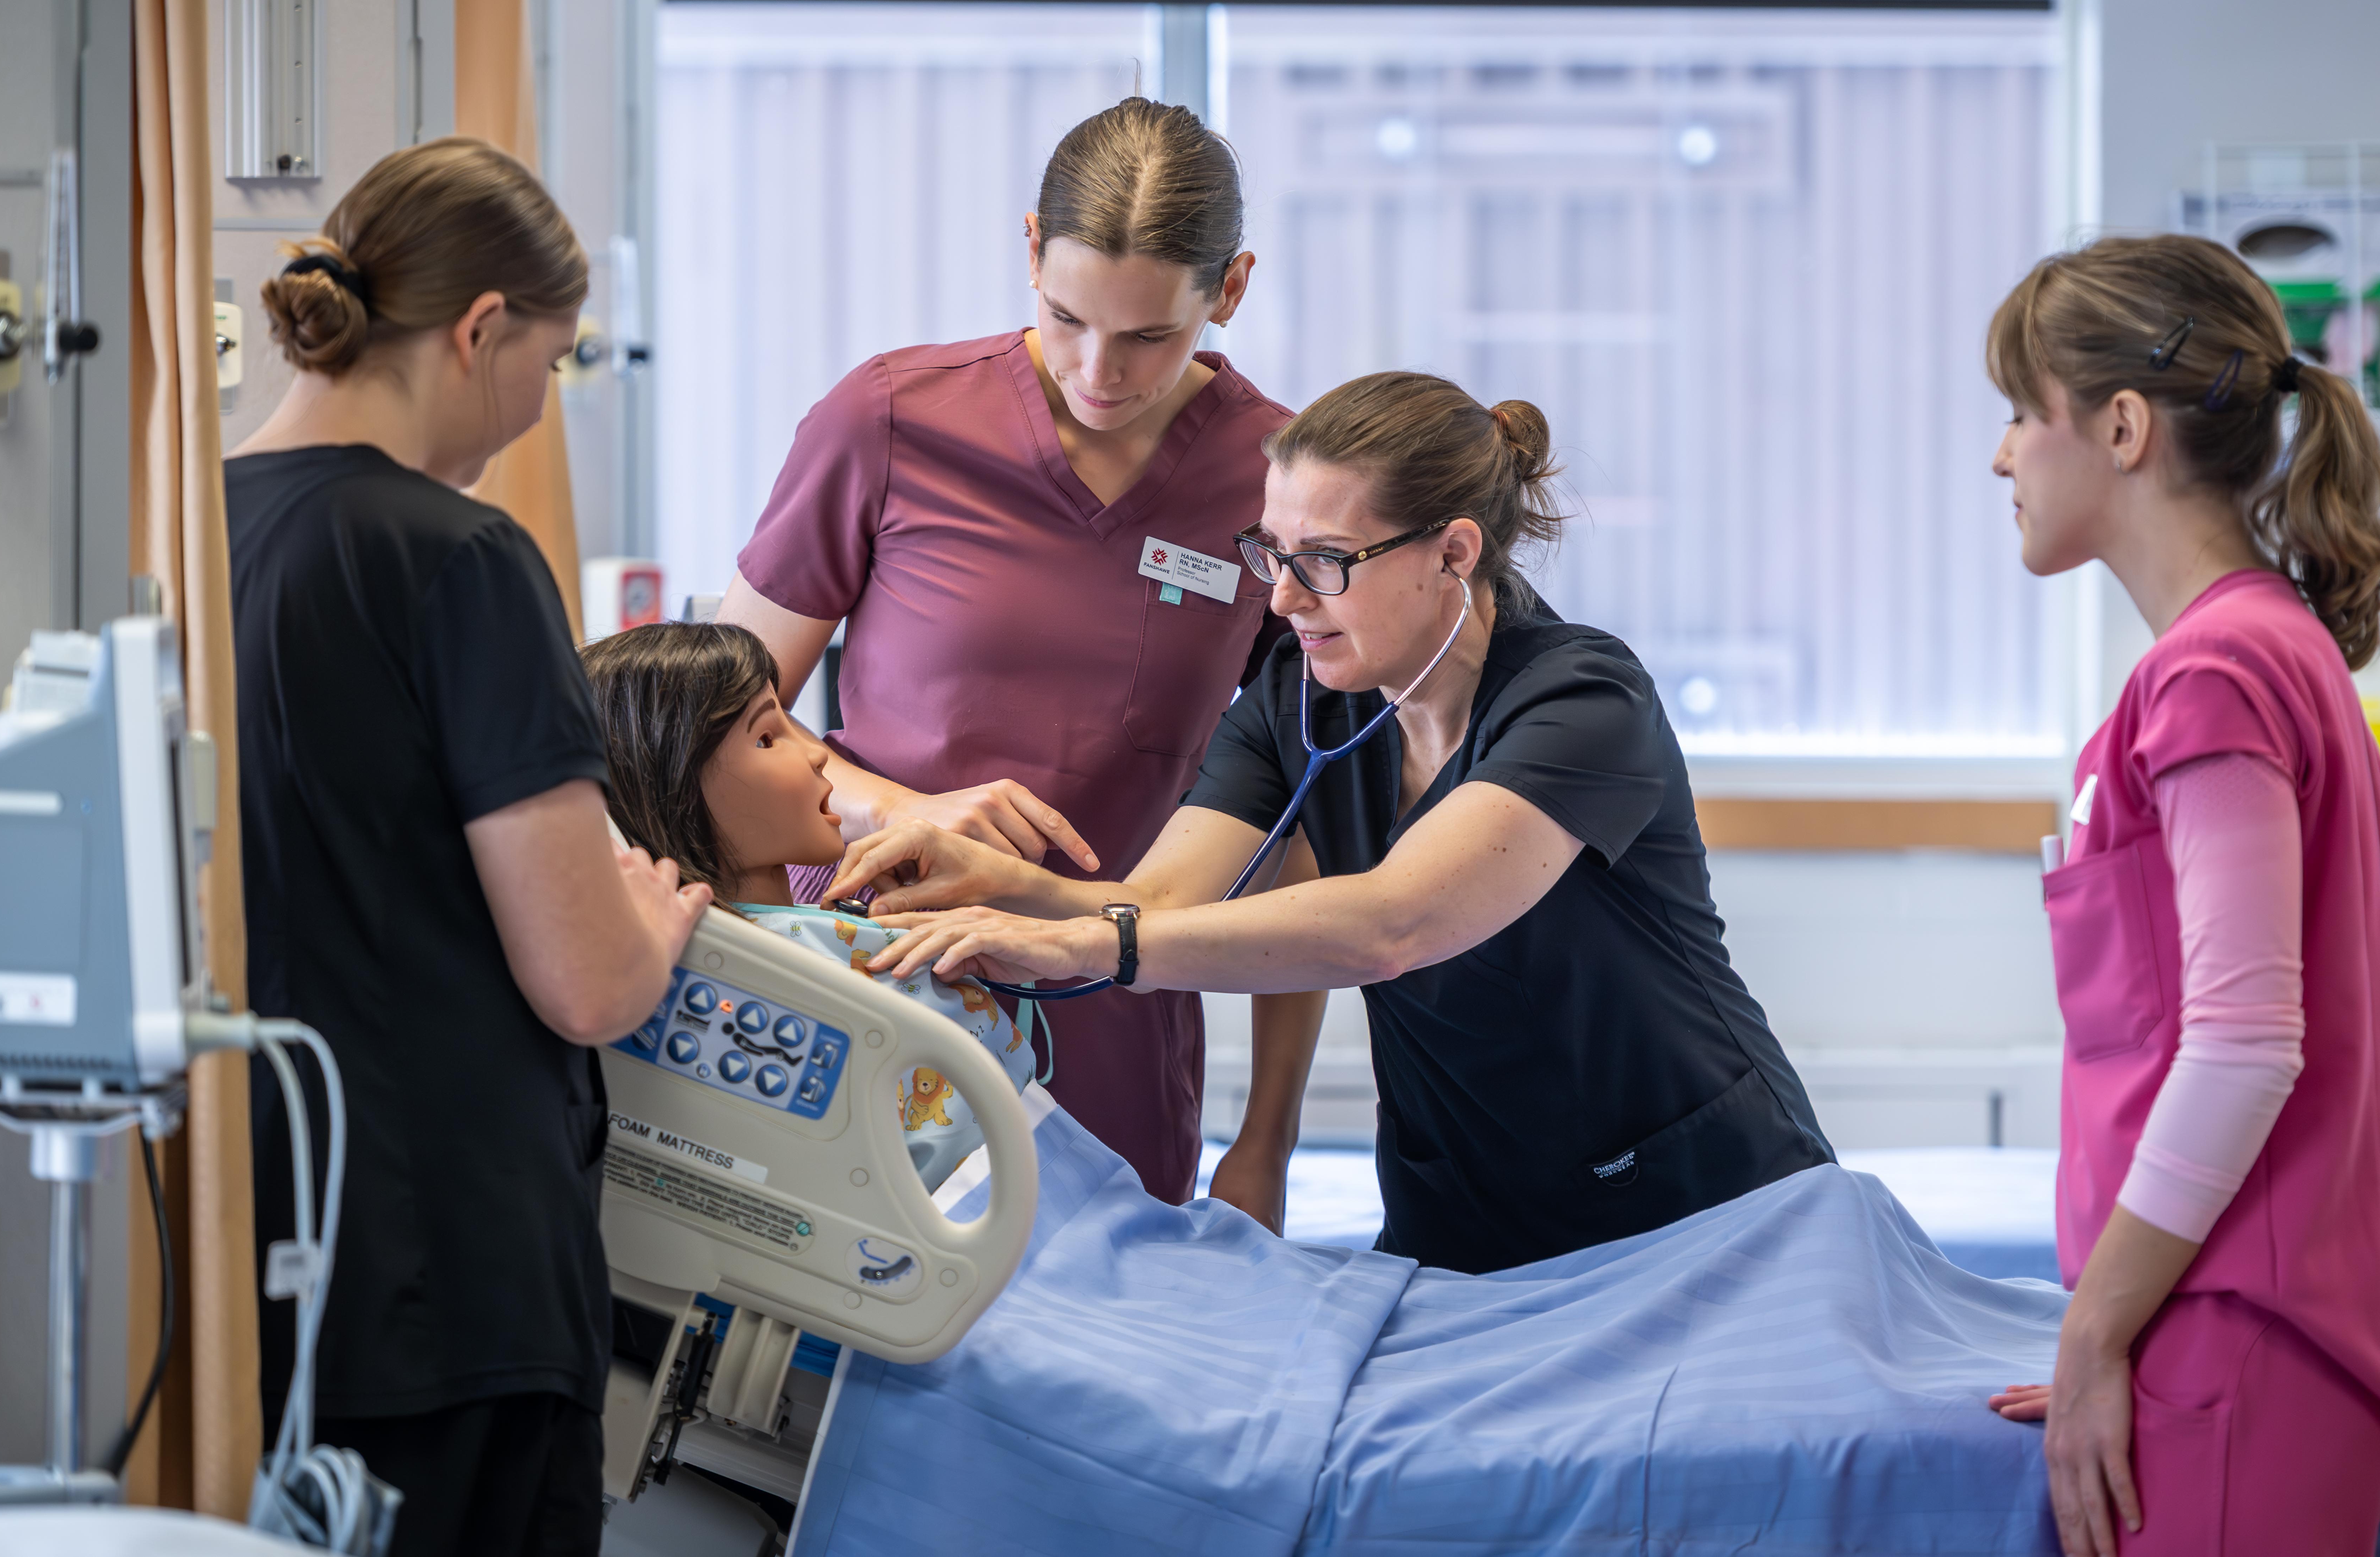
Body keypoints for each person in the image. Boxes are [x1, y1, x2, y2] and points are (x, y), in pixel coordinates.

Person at [825, 372, 1833, 1275]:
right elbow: (1160, 904)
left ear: (1453, 552)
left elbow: (1391, 923)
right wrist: (998, 886)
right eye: (1271, 551)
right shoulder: (1299, 699)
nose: (1281, 596)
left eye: (1325, 560)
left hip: (1697, 1209)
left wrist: (1070, 938)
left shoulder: (1581, 701)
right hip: (1463, 1220)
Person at [226, 138, 710, 1557]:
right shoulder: (457, 556)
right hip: (450, 1254)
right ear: (481, 328)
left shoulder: (188, 525)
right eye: (549, 366)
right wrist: (653, 918)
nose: (534, 409)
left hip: (264, 1232)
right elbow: (585, 983)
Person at [710, 97, 1299, 1212]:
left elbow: (1292, 826)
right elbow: (711, 721)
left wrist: (1266, 1137)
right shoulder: (888, 419)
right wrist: (898, 809)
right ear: (1031, 248)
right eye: (1066, 315)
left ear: (1229, 290)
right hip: (861, 969)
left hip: (1115, 1004)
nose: (1099, 369)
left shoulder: (1272, 477)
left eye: (1150, 337)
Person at [1974, 236, 2380, 1557]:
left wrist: (2093, 1334)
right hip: (2229, 1323)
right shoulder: (2271, 645)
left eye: (2019, 412)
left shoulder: (2214, 675)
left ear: (2120, 426)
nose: (2001, 456)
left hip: (2247, 1343)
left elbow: (2241, 1050)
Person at [576, 619, 1032, 1189]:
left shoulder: (824, 938)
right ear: (672, 789)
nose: (818, 756)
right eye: (768, 737)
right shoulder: (736, 983)